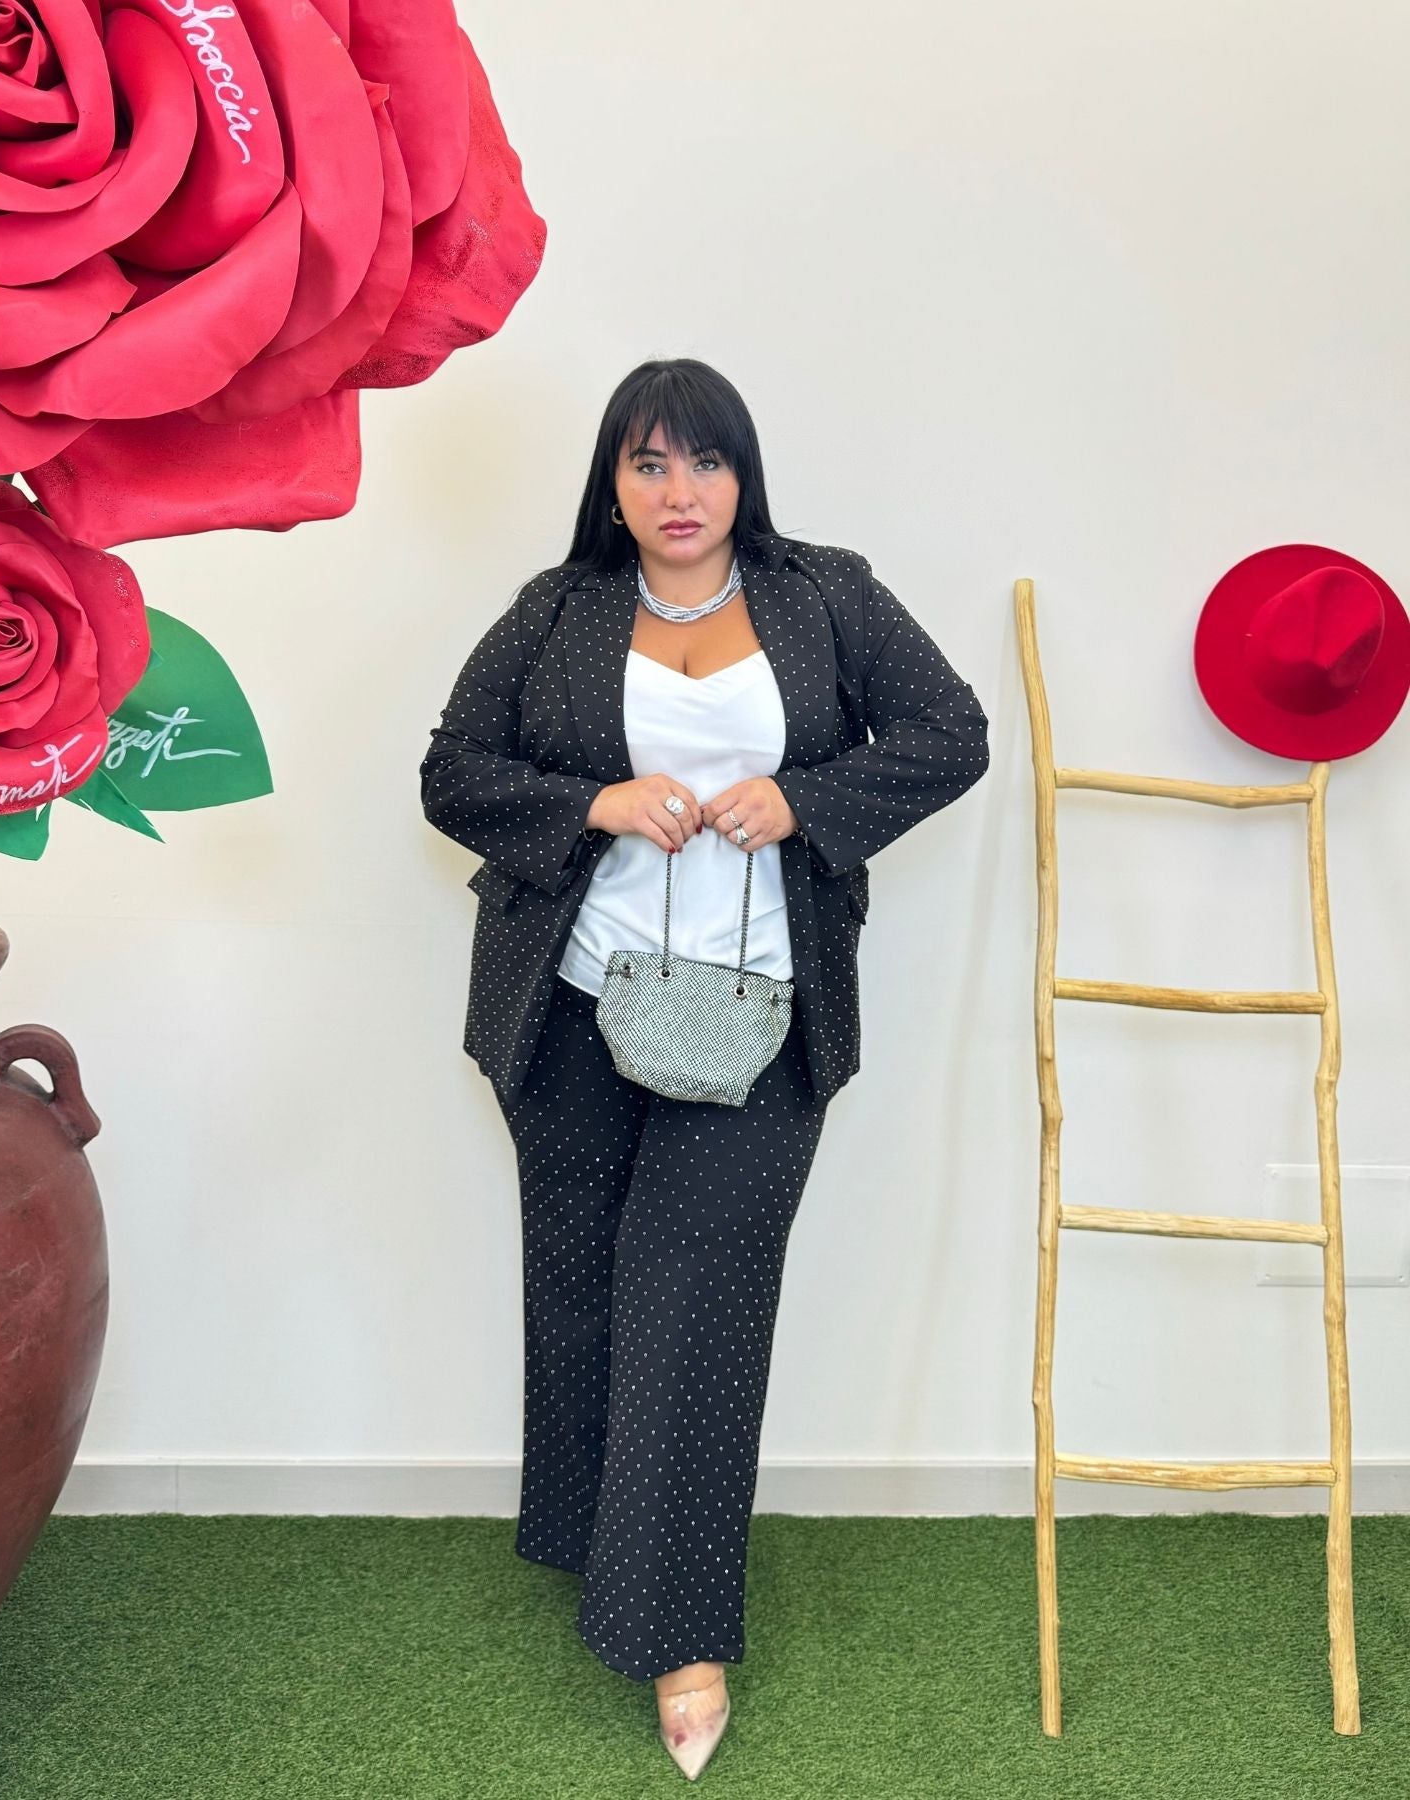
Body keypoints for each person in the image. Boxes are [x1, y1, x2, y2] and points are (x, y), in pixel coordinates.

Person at [420, 357, 989, 1779]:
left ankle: (680, 1639)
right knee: (581, 1284)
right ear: (612, 485)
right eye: (650, 463)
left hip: (762, 1016)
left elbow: (953, 735)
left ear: (746, 473)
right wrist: (594, 803)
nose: (681, 492)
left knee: (695, 1304)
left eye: (706, 460)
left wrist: (805, 801)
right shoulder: (558, 609)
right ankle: (599, 1543)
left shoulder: (826, 595)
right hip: (570, 1010)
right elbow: (451, 771)